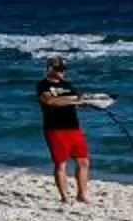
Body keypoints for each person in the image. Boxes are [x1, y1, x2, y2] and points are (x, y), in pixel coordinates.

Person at [36, 56, 106, 207]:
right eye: (59, 69)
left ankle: (82, 194)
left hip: (73, 127)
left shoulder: (68, 85)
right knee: (61, 163)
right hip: (55, 128)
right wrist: (73, 100)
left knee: (83, 161)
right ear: (50, 69)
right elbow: (49, 101)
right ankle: (64, 197)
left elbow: (75, 103)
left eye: (63, 69)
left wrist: (87, 102)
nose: (62, 72)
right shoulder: (43, 85)